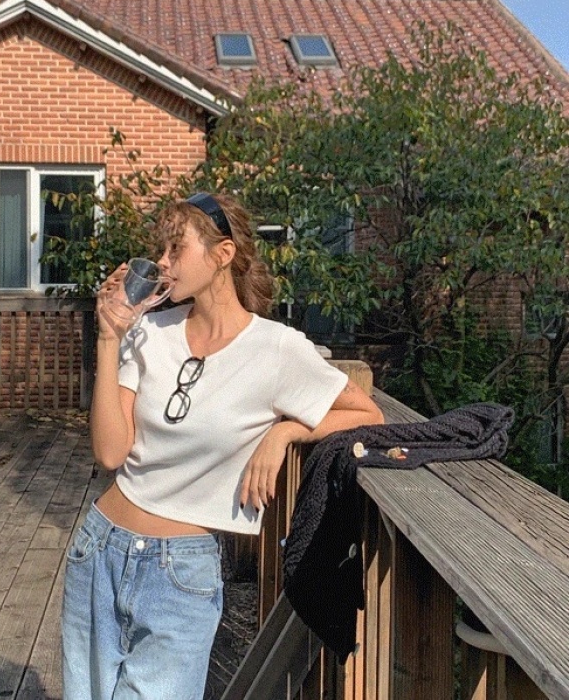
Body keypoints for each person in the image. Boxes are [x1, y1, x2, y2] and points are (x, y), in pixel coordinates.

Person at [62, 191, 384, 700]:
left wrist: (285, 431)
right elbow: (109, 453)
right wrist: (109, 338)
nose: (162, 262)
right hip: (99, 548)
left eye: (176, 249)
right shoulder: (149, 331)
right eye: (161, 250)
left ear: (223, 254)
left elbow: (368, 413)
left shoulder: (276, 348)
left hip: (180, 572)